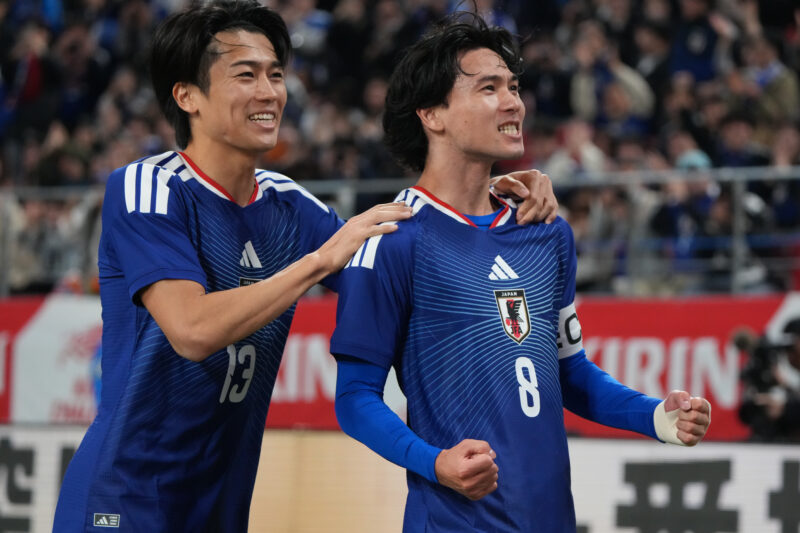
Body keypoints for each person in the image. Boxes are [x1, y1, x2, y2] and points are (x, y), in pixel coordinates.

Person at [51, 2, 558, 531]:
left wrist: (487, 195)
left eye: (275, 75)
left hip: (221, 498)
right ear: (187, 96)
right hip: (125, 494)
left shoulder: (287, 203)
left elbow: (405, 261)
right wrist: (317, 262)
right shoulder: (147, 188)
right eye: (245, 75)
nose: (270, 92)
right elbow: (192, 329)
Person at [330, 13, 712, 532]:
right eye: (488, 88)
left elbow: (569, 372)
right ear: (432, 115)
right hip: (455, 522)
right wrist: (434, 462)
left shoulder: (546, 231)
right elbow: (354, 399)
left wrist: (653, 416)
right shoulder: (390, 240)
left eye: (513, 86)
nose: (514, 102)